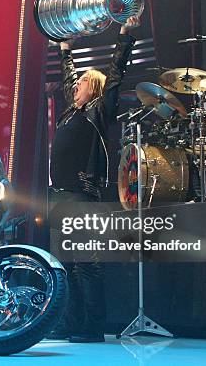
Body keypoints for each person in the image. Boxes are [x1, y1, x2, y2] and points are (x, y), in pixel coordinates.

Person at [49, 17, 140, 342]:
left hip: (82, 194)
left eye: (84, 82)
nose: (77, 85)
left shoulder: (99, 110)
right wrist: (64, 50)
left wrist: (124, 34)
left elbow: (115, 75)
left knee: (87, 263)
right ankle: (72, 322)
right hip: (60, 196)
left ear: (96, 90)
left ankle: (93, 325)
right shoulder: (71, 111)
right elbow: (66, 78)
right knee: (65, 264)